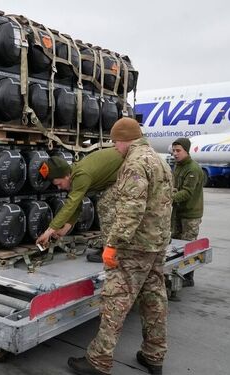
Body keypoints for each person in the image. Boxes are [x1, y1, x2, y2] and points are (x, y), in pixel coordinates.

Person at [67, 117, 173, 375]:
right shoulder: (160, 160)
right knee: (154, 300)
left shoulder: (135, 163)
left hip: (134, 247)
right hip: (156, 244)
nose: (115, 148)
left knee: (115, 302)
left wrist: (113, 244)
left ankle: (98, 361)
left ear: (125, 140)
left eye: (115, 142)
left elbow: (131, 209)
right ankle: (154, 356)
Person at [35, 148, 124, 263]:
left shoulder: (81, 175)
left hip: (129, 169)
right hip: (119, 175)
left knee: (105, 206)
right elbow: (77, 204)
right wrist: (65, 229)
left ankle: (112, 251)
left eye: (59, 183)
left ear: (66, 176)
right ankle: (110, 247)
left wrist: (48, 232)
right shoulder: (75, 174)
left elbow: (71, 205)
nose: (59, 188)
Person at [171, 137, 204, 288]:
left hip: (190, 215)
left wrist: (167, 198)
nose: (175, 154)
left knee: (188, 247)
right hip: (178, 212)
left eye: (178, 151)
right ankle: (177, 275)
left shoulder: (193, 168)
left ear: (186, 151)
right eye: (173, 151)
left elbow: (187, 193)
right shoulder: (178, 166)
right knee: (176, 245)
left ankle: (188, 277)